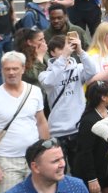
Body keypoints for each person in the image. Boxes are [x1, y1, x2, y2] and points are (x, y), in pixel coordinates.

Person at [0, 52, 49, 193]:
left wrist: (46, 152)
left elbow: (41, 122)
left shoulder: (35, 92)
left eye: (15, 68)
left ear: (23, 69)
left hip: (34, 157)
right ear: (2, 70)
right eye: (7, 69)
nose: (11, 72)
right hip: (6, 161)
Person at [39, 33, 98, 163]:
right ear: (52, 53)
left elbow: (93, 71)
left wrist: (81, 51)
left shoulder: (77, 68)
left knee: (80, 168)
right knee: (59, 169)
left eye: (67, 47)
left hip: (79, 127)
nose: (66, 50)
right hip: (58, 131)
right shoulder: (45, 74)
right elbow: (49, 82)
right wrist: (64, 56)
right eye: (61, 49)